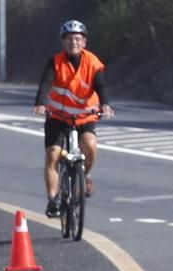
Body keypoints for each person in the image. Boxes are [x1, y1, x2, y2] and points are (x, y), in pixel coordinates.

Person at [32, 19, 114, 218]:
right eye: (69, 39)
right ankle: (53, 199)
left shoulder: (92, 62)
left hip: (84, 117)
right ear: (63, 42)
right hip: (58, 117)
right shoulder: (55, 62)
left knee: (90, 145)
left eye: (77, 39)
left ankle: (85, 175)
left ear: (84, 42)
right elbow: (45, 83)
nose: (73, 43)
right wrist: (41, 103)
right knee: (53, 155)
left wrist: (105, 104)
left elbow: (100, 85)